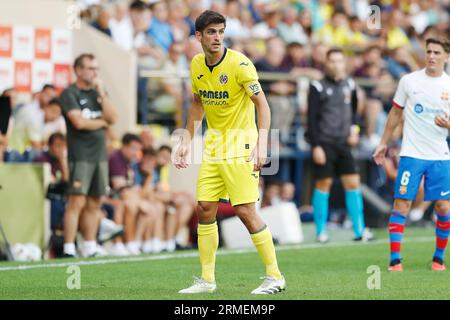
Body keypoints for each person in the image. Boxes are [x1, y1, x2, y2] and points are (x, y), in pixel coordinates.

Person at [174, 10, 285, 295]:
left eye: (221, 31)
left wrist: (262, 144)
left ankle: (274, 276)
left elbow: (263, 105)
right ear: (198, 36)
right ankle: (207, 280)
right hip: (213, 145)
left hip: (242, 145)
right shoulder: (196, 64)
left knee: (245, 211)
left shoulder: (240, 64)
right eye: (211, 32)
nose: (217, 37)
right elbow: (197, 104)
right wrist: (186, 139)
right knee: (204, 208)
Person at [373, 37, 450, 272]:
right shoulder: (409, 81)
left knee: (444, 208)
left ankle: (438, 258)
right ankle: (395, 260)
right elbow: (395, 115)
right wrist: (383, 143)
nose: (432, 56)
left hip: (440, 156)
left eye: (437, 52)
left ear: (446, 56)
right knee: (402, 204)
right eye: (429, 51)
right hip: (411, 154)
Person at [306, 48, 373, 243]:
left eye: (339, 61)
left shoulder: (350, 84)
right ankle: (321, 231)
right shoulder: (317, 86)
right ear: (326, 63)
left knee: (353, 183)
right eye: (332, 61)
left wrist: (355, 130)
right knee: (323, 185)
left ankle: (359, 231)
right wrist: (315, 145)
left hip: (344, 144)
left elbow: (354, 114)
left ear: (344, 63)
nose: (336, 65)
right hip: (324, 143)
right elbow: (311, 119)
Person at [59, 53, 117, 258]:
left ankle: (90, 245)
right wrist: (102, 122)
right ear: (78, 70)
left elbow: (113, 118)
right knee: (76, 202)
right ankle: (68, 247)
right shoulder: (69, 93)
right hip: (80, 155)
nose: (95, 73)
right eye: (91, 68)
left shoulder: (98, 92)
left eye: (96, 69)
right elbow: (79, 123)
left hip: (100, 155)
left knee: (94, 202)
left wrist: (102, 92)